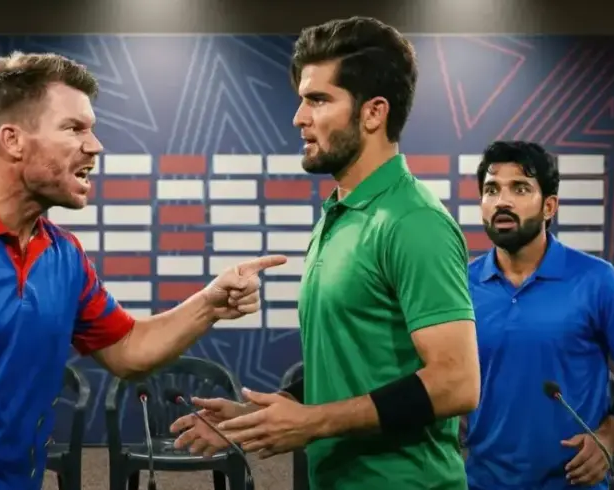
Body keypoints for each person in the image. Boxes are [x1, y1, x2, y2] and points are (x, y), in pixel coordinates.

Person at [0, 51, 286, 490]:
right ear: (13, 140)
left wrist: (209, 305)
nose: (95, 146)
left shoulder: (64, 255)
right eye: (74, 128)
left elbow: (127, 351)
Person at [170, 16, 480, 489]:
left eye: (318, 100)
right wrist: (255, 418)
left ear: (373, 113)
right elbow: (356, 367)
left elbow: (457, 382)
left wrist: (314, 423)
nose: (299, 117)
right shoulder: (340, 215)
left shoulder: (414, 222)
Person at [461, 141, 614, 489]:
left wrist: (609, 436)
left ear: (549, 206)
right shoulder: (461, 285)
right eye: (491, 190)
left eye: (520, 188)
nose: (502, 201)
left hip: (575, 482)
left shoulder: (596, 279)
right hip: (482, 482)